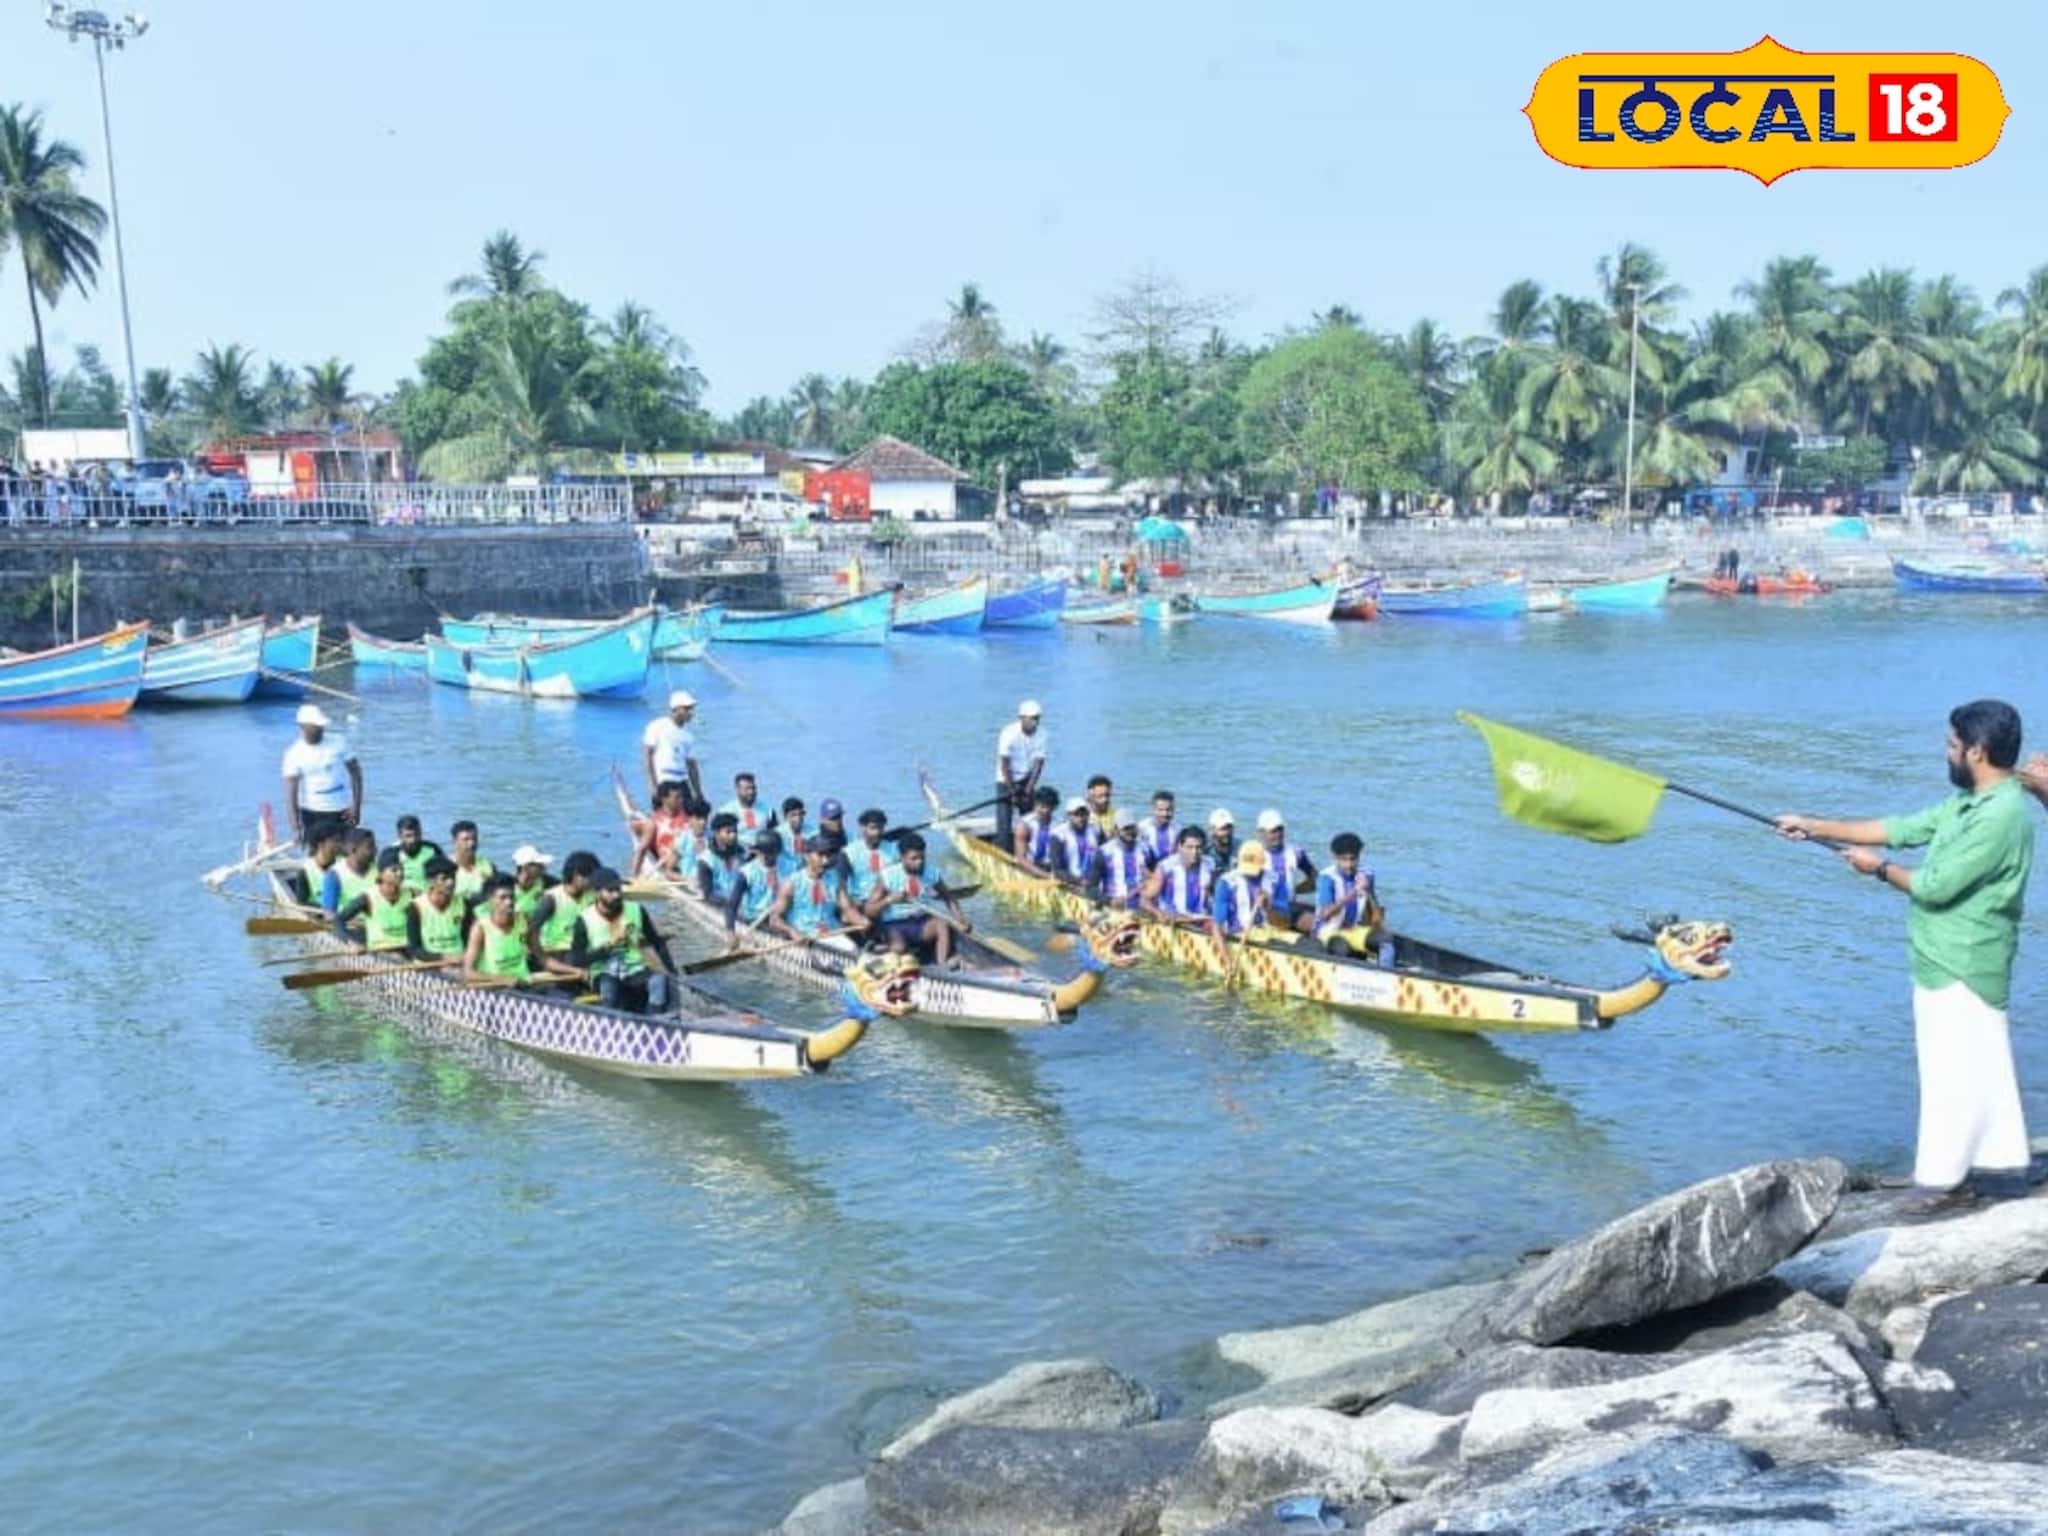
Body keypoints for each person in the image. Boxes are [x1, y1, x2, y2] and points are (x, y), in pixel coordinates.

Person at [1776, 700, 2036, 1195]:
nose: (1946, 753)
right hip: (1942, 958)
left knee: (1952, 1078)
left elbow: (1935, 886)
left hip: (1964, 961)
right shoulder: (1968, 803)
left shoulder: (2000, 817)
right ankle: (1994, 1163)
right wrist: (1813, 825)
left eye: (1952, 745)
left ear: (1977, 752)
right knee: (1976, 1070)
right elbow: (1899, 829)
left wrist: (1875, 869)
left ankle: (1939, 1183)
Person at [570, 867, 678, 1014]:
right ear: (597, 892)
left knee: (659, 981)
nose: (616, 895)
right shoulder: (584, 919)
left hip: (634, 969)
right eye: (610, 891)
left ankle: (654, 1022)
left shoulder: (636, 910)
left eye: (618, 889)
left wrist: (672, 972)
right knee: (609, 990)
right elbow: (576, 960)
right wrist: (608, 948)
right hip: (603, 971)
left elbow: (657, 942)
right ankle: (608, 1023)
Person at [864, 832, 968, 965]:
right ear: (902, 858)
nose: (919, 862)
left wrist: (960, 919)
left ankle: (942, 965)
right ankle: (879, 950)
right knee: (899, 948)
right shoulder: (888, 876)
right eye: (914, 859)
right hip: (895, 925)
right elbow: (869, 910)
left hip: (920, 923)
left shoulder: (931, 873)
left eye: (922, 857)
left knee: (942, 924)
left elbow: (948, 897)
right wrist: (889, 900)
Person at [464, 874, 581, 984]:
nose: (509, 902)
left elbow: (543, 959)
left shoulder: (524, 921)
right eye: (503, 898)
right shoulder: (480, 928)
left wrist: (574, 971)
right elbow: (468, 973)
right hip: (495, 988)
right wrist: (501, 979)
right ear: (490, 900)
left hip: (523, 983)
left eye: (512, 897)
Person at [281, 704, 362, 848]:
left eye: (322, 725)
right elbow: (290, 795)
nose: (320, 729)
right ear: (303, 726)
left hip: (342, 811)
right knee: (319, 857)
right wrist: (295, 828)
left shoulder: (339, 742)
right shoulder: (293, 754)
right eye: (316, 726)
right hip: (312, 813)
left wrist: (356, 806)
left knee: (347, 852)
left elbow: (356, 774)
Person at [768, 836, 868, 940]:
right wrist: (791, 931)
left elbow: (848, 909)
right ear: (806, 856)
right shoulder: (791, 884)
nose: (825, 861)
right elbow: (774, 919)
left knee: (856, 953)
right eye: (820, 855)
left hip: (831, 933)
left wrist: (861, 921)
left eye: (828, 855)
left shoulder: (836, 880)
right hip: (803, 936)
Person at [1313, 833, 1387, 959]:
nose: (1349, 865)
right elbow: (1326, 914)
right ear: (1335, 858)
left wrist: (1369, 894)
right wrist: (1353, 893)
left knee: (1386, 940)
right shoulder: (1326, 877)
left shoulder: (1367, 875)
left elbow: (1374, 912)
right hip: (1328, 930)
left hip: (1353, 929)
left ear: (1359, 857)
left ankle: (1386, 972)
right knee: (1342, 948)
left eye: (1353, 859)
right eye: (1344, 859)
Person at [529, 850, 601, 962]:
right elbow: (532, 930)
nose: (593, 881)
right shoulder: (552, 898)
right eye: (590, 877)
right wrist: (542, 958)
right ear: (577, 875)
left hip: (581, 947)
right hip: (557, 950)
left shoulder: (590, 895)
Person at [725, 827, 795, 942]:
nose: (769, 857)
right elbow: (732, 906)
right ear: (757, 852)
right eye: (764, 853)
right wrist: (730, 931)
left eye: (773, 854)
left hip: (781, 915)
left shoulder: (790, 867)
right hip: (755, 919)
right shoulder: (747, 873)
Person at [995, 699, 1048, 848]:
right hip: (1006, 780)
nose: (1035, 722)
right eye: (1031, 718)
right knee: (1004, 826)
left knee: (1031, 822)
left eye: (1037, 718)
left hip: (1027, 779)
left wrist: (1028, 789)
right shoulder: (1008, 733)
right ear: (1021, 718)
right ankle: (1003, 849)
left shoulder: (1043, 734)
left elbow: (1039, 764)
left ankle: (1030, 853)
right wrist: (1012, 791)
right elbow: (1004, 763)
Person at [1255, 809, 1319, 931]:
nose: (1278, 834)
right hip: (1266, 912)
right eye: (1273, 831)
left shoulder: (1296, 853)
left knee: (1324, 919)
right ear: (1261, 833)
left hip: (1290, 907)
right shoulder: (1255, 855)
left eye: (1280, 829)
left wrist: (1297, 890)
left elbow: (1315, 878)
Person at [334, 855, 411, 952]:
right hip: (381, 952)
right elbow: (338, 920)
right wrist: (351, 942)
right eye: (394, 870)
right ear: (381, 874)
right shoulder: (367, 898)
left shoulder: (412, 894)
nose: (400, 873)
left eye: (402, 869)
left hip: (408, 950)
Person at [407, 856, 472, 964]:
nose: (451, 882)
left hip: (459, 961)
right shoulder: (415, 907)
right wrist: (444, 958)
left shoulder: (464, 904)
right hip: (429, 965)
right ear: (431, 882)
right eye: (444, 878)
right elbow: (414, 949)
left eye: (453, 877)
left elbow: (468, 940)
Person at [1142, 826, 1213, 923]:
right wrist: (1158, 913)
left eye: (1198, 847)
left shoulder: (1209, 864)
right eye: (1190, 847)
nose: (1195, 852)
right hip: (1175, 920)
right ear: (1180, 847)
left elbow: (1210, 895)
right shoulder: (1166, 867)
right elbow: (1145, 900)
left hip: (1200, 918)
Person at [643, 690, 703, 803]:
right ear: (676, 709)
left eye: (691, 709)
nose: (691, 712)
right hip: (664, 781)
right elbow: (648, 757)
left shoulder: (688, 735)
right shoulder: (657, 726)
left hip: (682, 781)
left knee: (690, 816)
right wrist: (652, 786)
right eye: (687, 709)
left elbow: (692, 765)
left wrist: (698, 792)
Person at [1211, 843, 1274, 938]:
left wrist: (1266, 905)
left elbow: (1282, 922)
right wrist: (1224, 953)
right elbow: (1217, 926)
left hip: (1267, 931)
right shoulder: (1226, 882)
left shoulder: (1274, 879)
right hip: (1238, 934)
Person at [630, 780, 693, 877]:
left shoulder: (688, 817)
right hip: (669, 866)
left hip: (689, 862)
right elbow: (641, 850)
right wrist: (633, 877)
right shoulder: (653, 823)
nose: (681, 800)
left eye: (681, 797)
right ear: (664, 799)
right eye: (677, 798)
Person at [1090, 810, 1149, 910]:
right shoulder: (1104, 852)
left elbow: (1154, 877)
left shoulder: (1145, 849)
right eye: (1126, 828)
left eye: (1132, 828)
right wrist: (1109, 900)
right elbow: (1091, 889)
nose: (1130, 832)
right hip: (1113, 906)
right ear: (1116, 829)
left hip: (1140, 906)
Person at [846, 809, 902, 908]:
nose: (877, 832)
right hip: (860, 901)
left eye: (881, 828)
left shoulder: (894, 850)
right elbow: (840, 884)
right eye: (873, 828)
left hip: (885, 899)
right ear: (863, 828)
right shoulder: (849, 852)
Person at [696, 812, 747, 905]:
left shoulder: (741, 853)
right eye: (728, 832)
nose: (733, 835)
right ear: (717, 834)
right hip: (719, 901)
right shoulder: (705, 860)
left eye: (735, 831)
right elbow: (708, 895)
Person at [294, 825, 347, 912]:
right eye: (335, 841)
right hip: (322, 914)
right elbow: (302, 904)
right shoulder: (305, 872)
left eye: (340, 840)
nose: (339, 844)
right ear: (321, 844)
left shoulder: (345, 864)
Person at [1049, 796, 1101, 884]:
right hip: (1069, 880)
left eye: (1084, 814)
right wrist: (1078, 881)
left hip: (1092, 879)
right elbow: (1057, 870)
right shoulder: (1058, 835)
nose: (1081, 818)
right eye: (1076, 814)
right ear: (1068, 816)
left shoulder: (1096, 829)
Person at [391, 815, 445, 897]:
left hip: (427, 898)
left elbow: (445, 875)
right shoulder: (391, 852)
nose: (413, 839)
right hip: (401, 898)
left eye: (417, 834)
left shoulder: (432, 849)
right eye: (408, 836)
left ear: (421, 832)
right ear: (399, 836)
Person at [332, 828, 379, 914]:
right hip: (347, 923)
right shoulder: (334, 875)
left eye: (375, 846)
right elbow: (329, 913)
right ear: (353, 849)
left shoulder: (380, 871)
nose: (375, 850)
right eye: (370, 847)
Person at [449, 819, 494, 903]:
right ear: (454, 842)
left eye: (474, 838)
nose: (471, 843)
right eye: (466, 839)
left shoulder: (488, 865)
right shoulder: (445, 867)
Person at [509, 845, 554, 923]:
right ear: (525, 867)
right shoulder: (506, 887)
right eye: (539, 865)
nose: (544, 868)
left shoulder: (549, 883)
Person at [1140, 790, 1179, 868]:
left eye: (1168, 810)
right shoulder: (1142, 828)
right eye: (1160, 810)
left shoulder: (1178, 830)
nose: (1165, 814)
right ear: (1153, 810)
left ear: (1173, 810)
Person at [1204, 809, 1240, 880]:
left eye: (1229, 827)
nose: (1227, 832)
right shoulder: (1205, 849)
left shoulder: (1240, 847)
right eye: (1223, 828)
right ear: (1212, 830)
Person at [1085, 774, 1116, 840]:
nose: (1105, 799)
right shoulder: (1082, 816)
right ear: (1090, 795)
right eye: (1100, 796)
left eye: (1107, 796)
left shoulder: (1116, 815)